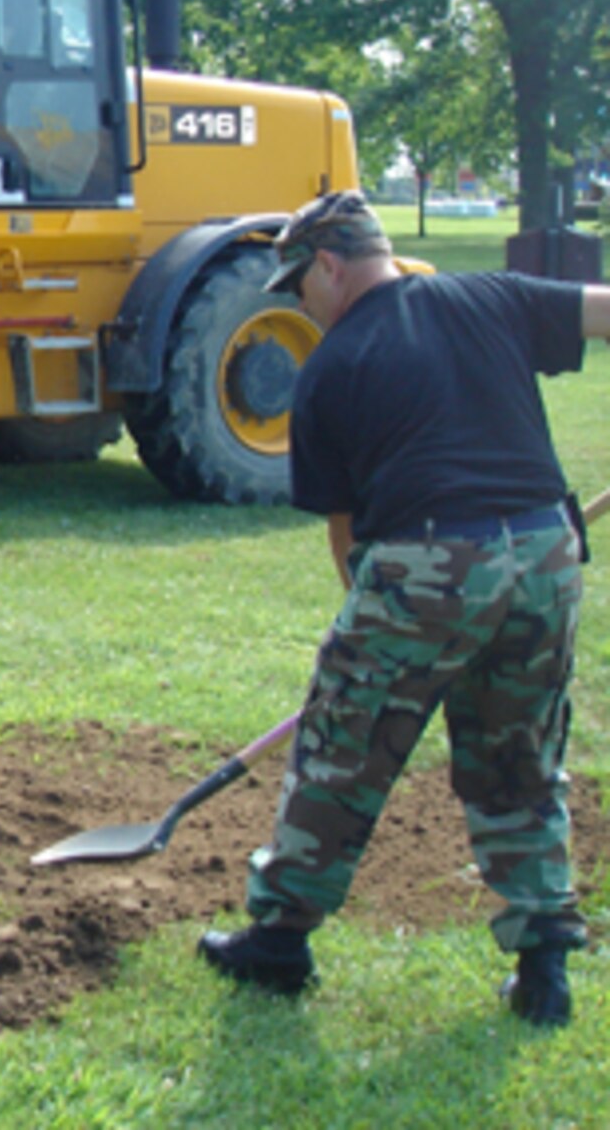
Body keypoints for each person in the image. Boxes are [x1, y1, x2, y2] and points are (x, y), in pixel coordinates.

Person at [197, 190, 610, 1027]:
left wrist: (380, 655)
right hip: (544, 552)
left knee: (342, 746)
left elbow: (349, 545)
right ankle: (542, 971)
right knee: (519, 757)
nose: (300, 305)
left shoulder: (329, 372)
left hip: (426, 559)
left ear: (330, 265)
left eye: (298, 286)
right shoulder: (490, 294)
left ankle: (278, 942)